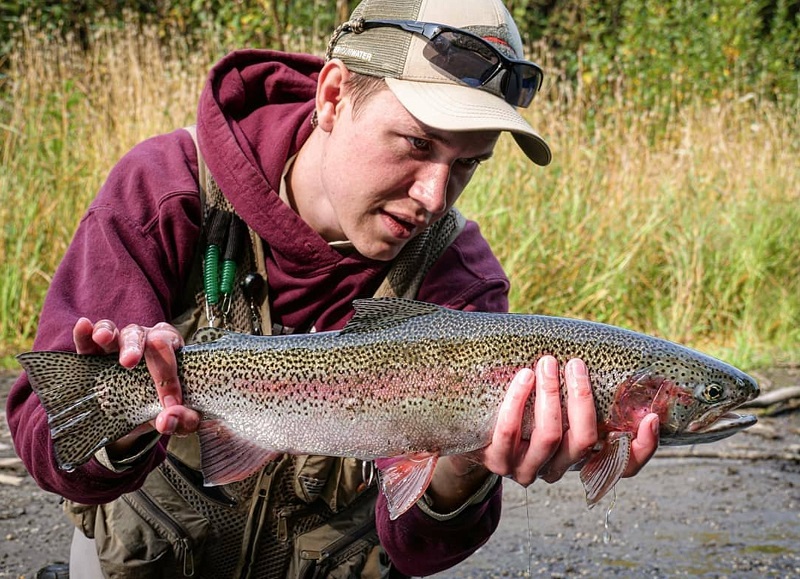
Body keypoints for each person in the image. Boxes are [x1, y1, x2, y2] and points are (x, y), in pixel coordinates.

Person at [7, 0, 660, 577]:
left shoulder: (458, 274)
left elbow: (417, 551)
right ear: (332, 94)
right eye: (415, 143)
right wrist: (123, 419)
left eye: (466, 165)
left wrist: (462, 468)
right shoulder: (167, 190)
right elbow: (46, 437)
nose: (435, 195)